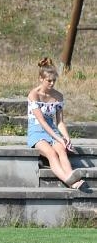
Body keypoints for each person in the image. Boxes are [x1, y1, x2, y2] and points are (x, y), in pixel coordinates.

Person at [27, 57, 86, 189]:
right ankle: (69, 181)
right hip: (37, 132)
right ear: (41, 79)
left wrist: (66, 138)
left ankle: (71, 175)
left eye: (54, 80)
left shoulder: (58, 96)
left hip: (53, 131)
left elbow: (60, 122)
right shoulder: (33, 95)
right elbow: (41, 121)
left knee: (62, 150)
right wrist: (58, 137)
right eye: (49, 81)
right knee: (52, 153)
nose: (52, 83)